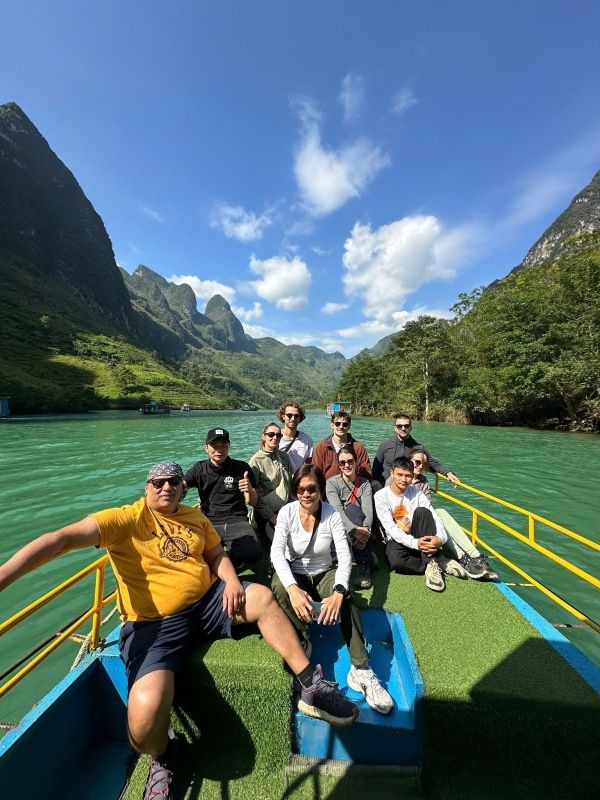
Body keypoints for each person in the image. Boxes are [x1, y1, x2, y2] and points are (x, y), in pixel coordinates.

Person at [0, 462, 359, 799]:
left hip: (207, 604)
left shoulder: (193, 517)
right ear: (147, 488)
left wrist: (232, 580)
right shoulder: (125, 520)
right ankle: (164, 753)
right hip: (154, 626)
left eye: (174, 482)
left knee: (262, 597)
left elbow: (216, 556)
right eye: (159, 482)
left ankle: (310, 683)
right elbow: (60, 539)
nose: (167, 487)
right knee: (141, 725)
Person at [270, 464, 393, 715]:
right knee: (278, 587)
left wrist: (338, 591)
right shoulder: (287, 513)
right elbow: (276, 553)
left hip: (324, 572)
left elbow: (345, 557)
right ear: (295, 491)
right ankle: (302, 641)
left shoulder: (332, 515)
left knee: (346, 598)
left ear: (321, 490)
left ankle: (360, 669)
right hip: (297, 573)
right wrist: (293, 588)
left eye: (312, 489)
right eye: (300, 489)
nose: (306, 494)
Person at [374, 457, 466, 592]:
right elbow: (390, 528)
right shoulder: (381, 496)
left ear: (413, 476)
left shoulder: (417, 493)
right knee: (396, 562)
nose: (404, 480)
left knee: (423, 511)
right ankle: (438, 561)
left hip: (419, 533)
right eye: (399, 475)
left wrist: (440, 539)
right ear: (392, 473)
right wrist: (415, 543)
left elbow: (434, 517)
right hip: (398, 538)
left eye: (408, 476)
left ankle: (431, 565)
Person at [408, 447, 498, 580]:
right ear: (409, 461)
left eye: (424, 464)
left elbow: (428, 507)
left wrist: (447, 473)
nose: (420, 466)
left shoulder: (424, 482)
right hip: (408, 526)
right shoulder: (399, 478)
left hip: (423, 522)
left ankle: (474, 556)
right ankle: (463, 558)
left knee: (440, 512)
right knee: (436, 514)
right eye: (417, 462)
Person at [183, 427, 260, 569]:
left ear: (229, 447)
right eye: (214, 445)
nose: (219, 449)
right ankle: (224, 563)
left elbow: (253, 501)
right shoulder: (199, 469)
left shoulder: (241, 467)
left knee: (253, 553)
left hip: (236, 519)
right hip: (209, 520)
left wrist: (249, 489)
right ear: (206, 448)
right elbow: (182, 486)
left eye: (223, 445)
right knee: (191, 553)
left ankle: (223, 564)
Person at [325, 444, 375, 590]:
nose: (347, 465)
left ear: (356, 462)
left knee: (353, 509)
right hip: (340, 526)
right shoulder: (331, 483)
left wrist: (365, 531)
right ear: (339, 465)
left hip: (360, 526)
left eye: (350, 461)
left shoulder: (365, 484)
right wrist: (354, 531)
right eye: (342, 462)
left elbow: (368, 511)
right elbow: (337, 511)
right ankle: (367, 557)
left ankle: (363, 563)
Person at [372, 412, 459, 487]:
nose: (403, 428)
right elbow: (376, 468)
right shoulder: (385, 445)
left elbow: (433, 464)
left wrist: (448, 473)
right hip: (385, 485)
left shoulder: (418, 448)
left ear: (411, 428)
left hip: (407, 486)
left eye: (406, 426)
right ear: (395, 428)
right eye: (399, 426)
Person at [248, 422, 293, 543]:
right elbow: (253, 496)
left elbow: (290, 484)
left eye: (278, 435)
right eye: (271, 434)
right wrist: (272, 517)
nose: (275, 438)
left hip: (285, 507)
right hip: (265, 514)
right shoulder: (255, 461)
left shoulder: (284, 457)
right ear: (264, 437)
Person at [312, 411, 372, 481]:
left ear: (349, 426)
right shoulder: (322, 446)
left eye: (345, 424)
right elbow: (315, 473)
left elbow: (366, 473)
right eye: (337, 424)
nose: (341, 427)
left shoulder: (358, 447)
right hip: (327, 488)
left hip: (353, 486)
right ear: (332, 425)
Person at [278, 400, 314, 474]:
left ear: (300, 417)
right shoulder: (274, 437)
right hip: (279, 483)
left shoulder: (307, 440)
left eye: (296, 415)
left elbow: (309, 466)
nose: (293, 419)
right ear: (283, 416)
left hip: (298, 482)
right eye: (289, 415)